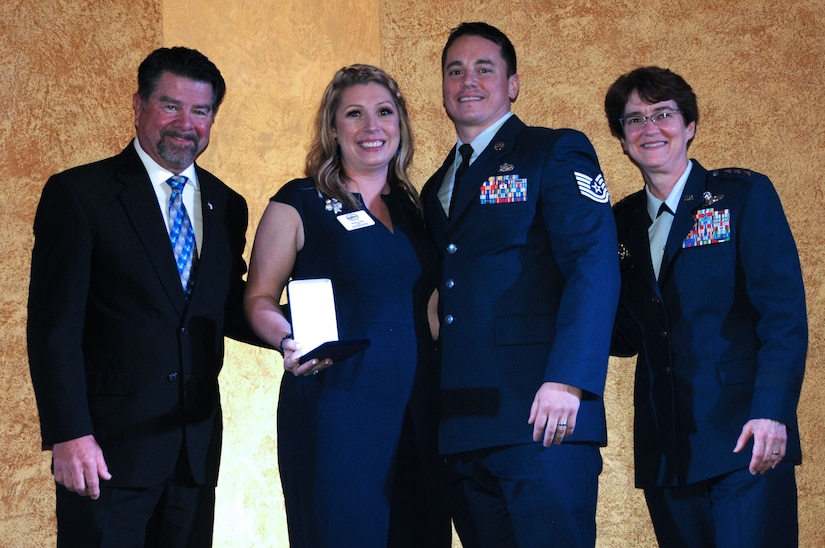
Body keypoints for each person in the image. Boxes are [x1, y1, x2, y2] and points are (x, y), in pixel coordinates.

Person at [27, 46, 259, 546]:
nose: (185, 123)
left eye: (200, 111)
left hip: (192, 455)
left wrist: (293, 330)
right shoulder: (79, 195)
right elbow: (53, 329)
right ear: (138, 106)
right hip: (105, 453)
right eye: (170, 105)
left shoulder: (227, 204)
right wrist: (69, 434)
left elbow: (220, 307)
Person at [420, 22, 620, 547]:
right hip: (464, 426)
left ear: (512, 84)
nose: (468, 80)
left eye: (485, 68)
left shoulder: (553, 151)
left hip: (543, 415)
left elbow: (593, 267)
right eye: (455, 70)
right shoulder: (435, 185)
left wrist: (568, 380)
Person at [244, 64, 451, 547]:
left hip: (420, 410)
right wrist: (286, 339)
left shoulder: (419, 209)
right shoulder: (299, 201)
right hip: (336, 407)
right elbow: (257, 298)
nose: (371, 127)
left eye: (384, 112)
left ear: (400, 124)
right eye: (354, 114)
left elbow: (435, 311)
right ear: (333, 129)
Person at [605, 66, 807, 547]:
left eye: (663, 114)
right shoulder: (618, 224)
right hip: (667, 450)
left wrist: (772, 413)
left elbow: (783, 317)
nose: (650, 128)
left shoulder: (741, 196)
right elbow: (624, 337)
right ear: (622, 139)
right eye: (634, 119)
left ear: (689, 125)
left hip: (746, 438)